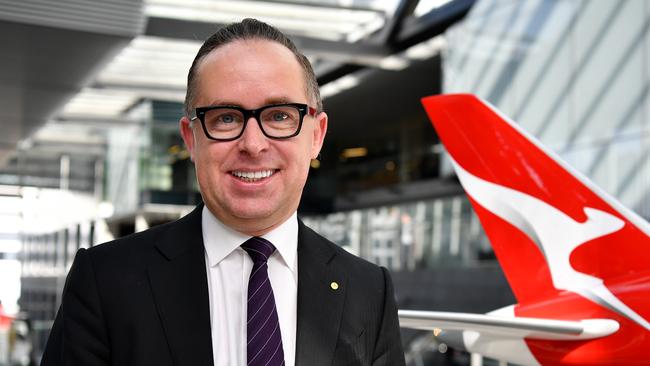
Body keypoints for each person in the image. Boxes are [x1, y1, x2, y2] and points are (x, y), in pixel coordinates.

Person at [41, 18, 405, 366]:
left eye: (279, 116)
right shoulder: (105, 281)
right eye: (226, 118)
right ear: (191, 139)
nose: (253, 143)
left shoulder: (368, 290)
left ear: (316, 135)